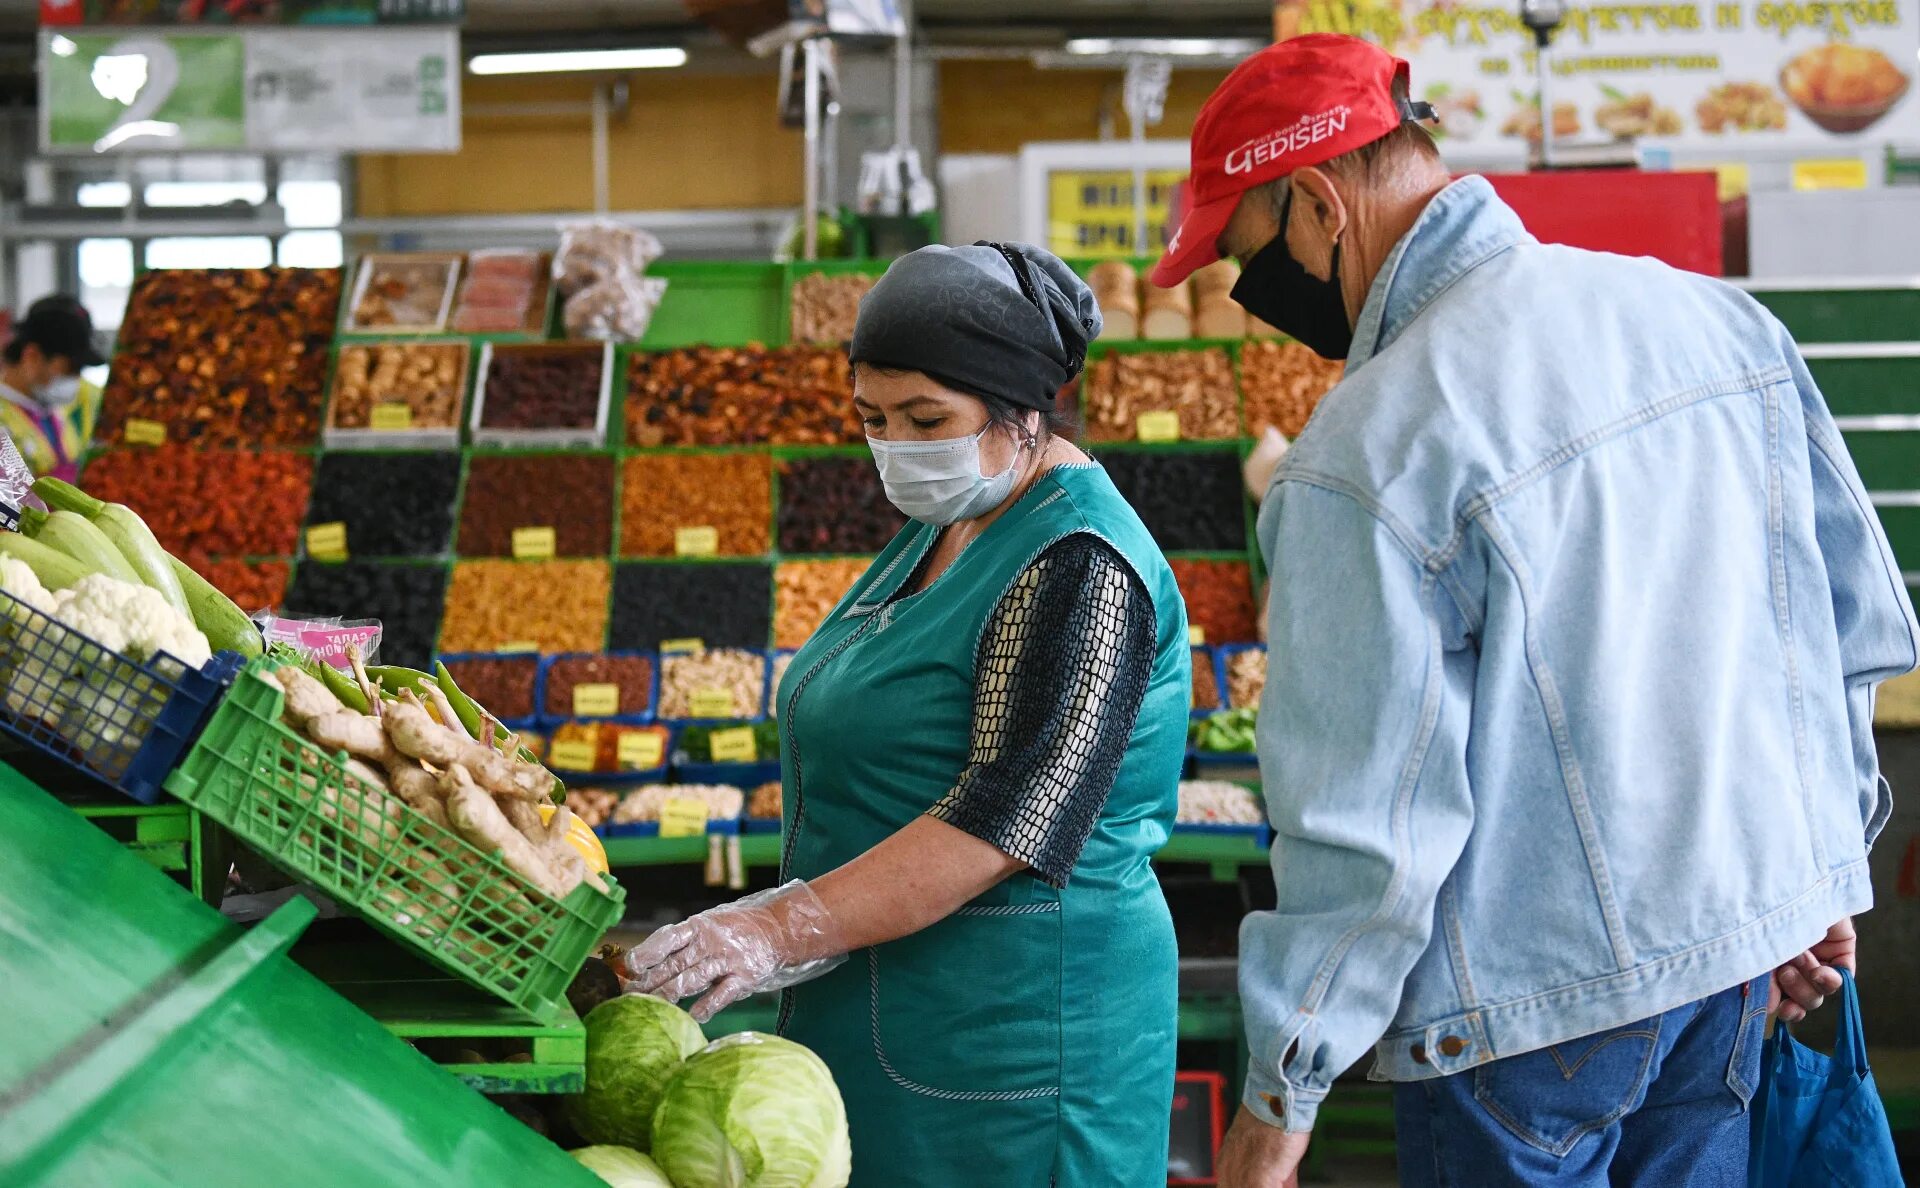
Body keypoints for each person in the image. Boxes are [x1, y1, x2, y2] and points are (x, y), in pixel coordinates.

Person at [1150, 34, 1918, 1187]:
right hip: (1725, 976)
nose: (1251, 296)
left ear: (1317, 206)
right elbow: (1836, 625)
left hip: (1520, 1027)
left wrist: (1282, 1091)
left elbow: (1368, 820)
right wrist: (1817, 876)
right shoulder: (1710, 321)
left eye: (1247, 255)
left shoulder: (1362, 455)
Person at [625, 242, 1192, 1186]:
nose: (898, 444)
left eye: (928, 417)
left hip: (1011, 1060)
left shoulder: (1081, 563)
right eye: (874, 417)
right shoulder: (949, 525)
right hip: (902, 1020)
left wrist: (772, 929)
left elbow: (1006, 818)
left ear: (1022, 409)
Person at [0, 296, 106, 483]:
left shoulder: (55, 412)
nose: (76, 379)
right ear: (32, 356)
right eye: (69, 369)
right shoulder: (4, 420)